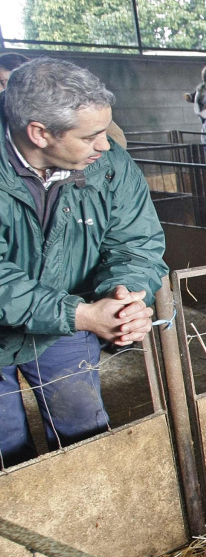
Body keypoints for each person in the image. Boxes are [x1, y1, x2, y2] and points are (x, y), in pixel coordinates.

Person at [0, 58, 167, 465]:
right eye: (91, 136)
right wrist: (82, 314)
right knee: (5, 447)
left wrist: (125, 296)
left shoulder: (108, 166)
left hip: (66, 326)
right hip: (67, 314)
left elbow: (137, 240)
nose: (105, 145)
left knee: (85, 433)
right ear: (39, 133)